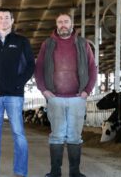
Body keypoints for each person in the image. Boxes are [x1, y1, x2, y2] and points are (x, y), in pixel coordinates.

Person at [35, 13, 97, 177]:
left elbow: (92, 68)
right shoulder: (47, 44)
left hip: (77, 97)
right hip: (55, 98)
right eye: (60, 22)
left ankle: (74, 172)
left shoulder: (82, 43)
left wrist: (87, 91)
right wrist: (44, 90)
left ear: (72, 24)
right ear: (56, 24)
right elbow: (39, 67)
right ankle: (55, 171)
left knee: (75, 136)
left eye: (66, 22)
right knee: (56, 135)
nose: (63, 25)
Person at [0, 8, 35, 177]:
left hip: (14, 95)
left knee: (18, 133)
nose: (3, 20)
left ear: (12, 20)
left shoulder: (21, 41)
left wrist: (19, 83)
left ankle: (20, 172)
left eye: (6, 18)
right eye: (0, 18)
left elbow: (30, 65)